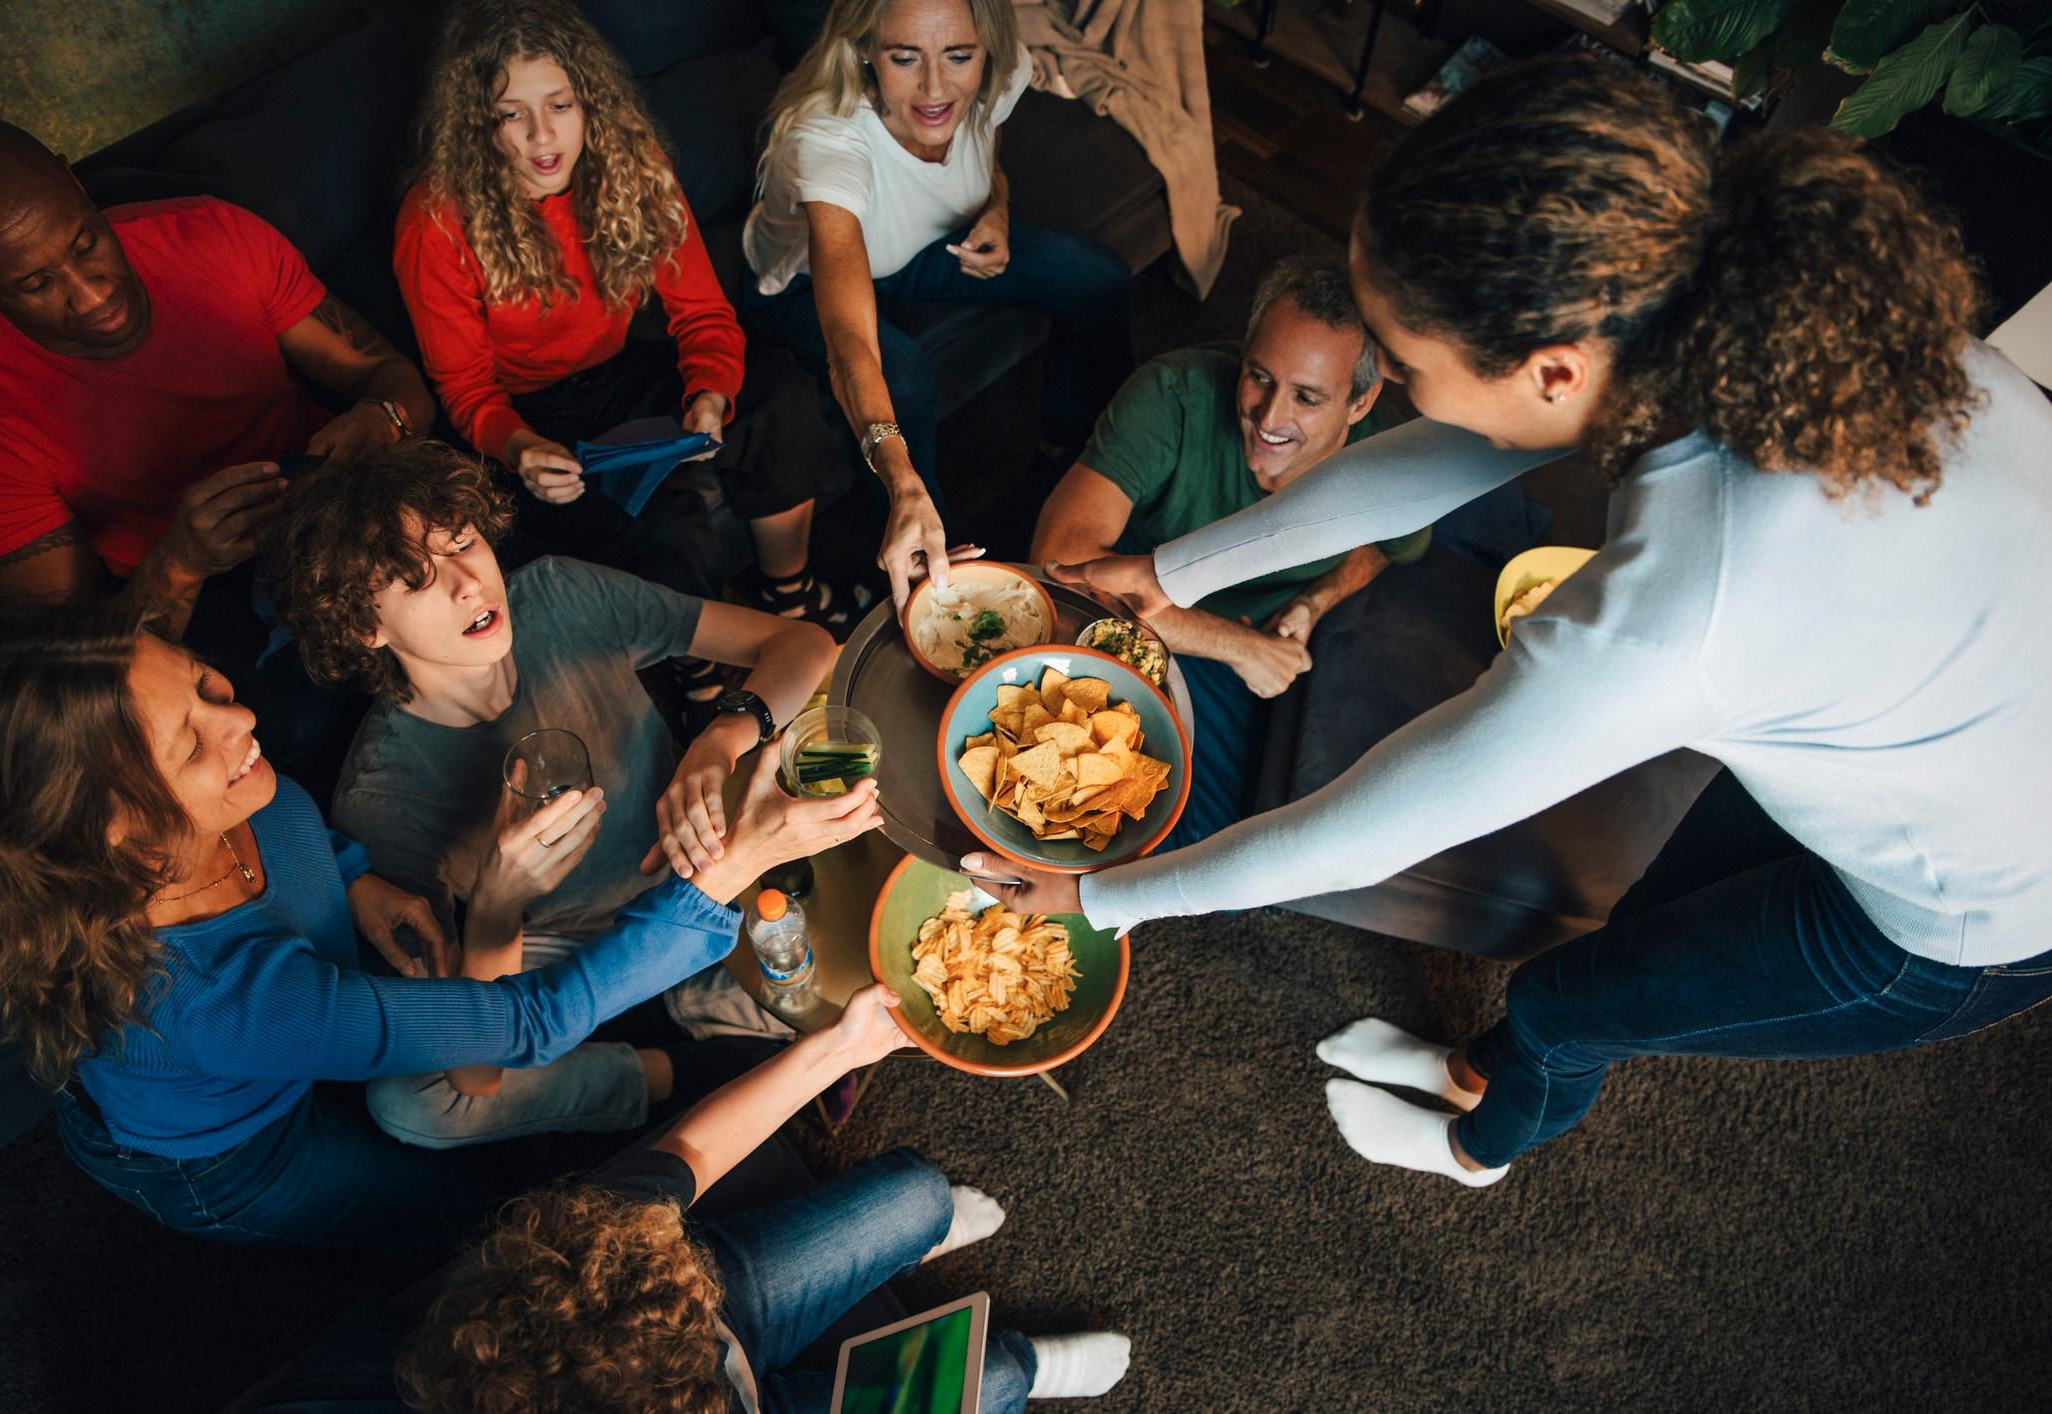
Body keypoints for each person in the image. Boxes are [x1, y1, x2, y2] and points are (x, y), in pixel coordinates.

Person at [975, 54, 2052, 1189]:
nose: (1381, 379)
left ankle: (1471, 1144)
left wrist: (1102, 897)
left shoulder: (1680, 610)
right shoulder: (1730, 314)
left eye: (1400, 362)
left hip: (1978, 908)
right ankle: (1476, 1069)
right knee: (1646, 921)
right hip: (1938, 704)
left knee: (1569, 1000)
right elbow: (1445, 453)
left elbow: (1360, 832)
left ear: (1550, 368)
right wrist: (1176, 570)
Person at [0, 608, 880, 1252]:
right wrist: (726, 874)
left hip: (293, 1030)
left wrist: (358, 884)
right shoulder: (222, 1001)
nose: (244, 718)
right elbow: (535, 1021)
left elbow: (308, 838)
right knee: (432, 1207)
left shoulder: (234, 791)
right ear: (121, 833)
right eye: (194, 738)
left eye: (210, 685)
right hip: (224, 1155)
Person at [265, 441, 841, 1150]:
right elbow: (473, 1068)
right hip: (561, 936)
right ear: (365, 627)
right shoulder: (383, 797)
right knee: (413, 1102)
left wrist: (720, 737)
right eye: (417, 581)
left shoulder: (560, 596)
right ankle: (684, 1069)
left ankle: (718, 1009)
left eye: (464, 543)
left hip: (702, 855)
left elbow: (808, 644)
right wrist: (499, 902)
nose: (469, 585)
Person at [0, 117, 436, 785]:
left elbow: (397, 384)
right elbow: (63, 673)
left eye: (86, 243)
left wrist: (379, 421)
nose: (91, 295)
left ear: (72, 178)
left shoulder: (209, 234)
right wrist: (178, 563)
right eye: (34, 285)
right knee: (314, 740)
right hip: (197, 605)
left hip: (342, 501)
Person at [393, 984, 1133, 1412]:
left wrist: (842, 1047)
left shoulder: (556, 1290)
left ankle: (912, 1245)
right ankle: (1027, 1371)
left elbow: (691, 1151)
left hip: (675, 1321)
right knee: (993, 1381)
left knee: (918, 1197)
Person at [397, 0, 865, 675]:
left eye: (559, 105)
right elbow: (465, 387)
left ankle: (787, 598)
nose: (541, 136)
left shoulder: (631, 166)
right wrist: (520, 447)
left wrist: (709, 393)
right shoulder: (435, 219)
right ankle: (701, 676)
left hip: (620, 373)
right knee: (667, 528)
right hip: (528, 415)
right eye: (510, 114)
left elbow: (702, 315)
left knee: (779, 394)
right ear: (476, 123)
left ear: (589, 100)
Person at [741, 0, 1135, 612]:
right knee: (903, 377)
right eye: (904, 58)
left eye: (959, 56)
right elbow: (849, 335)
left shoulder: (1003, 72)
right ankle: (930, 574)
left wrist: (996, 211)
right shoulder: (827, 137)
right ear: (866, 50)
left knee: (1098, 279)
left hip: (927, 242)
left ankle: (1076, 458)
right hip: (802, 282)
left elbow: (988, 165)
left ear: (987, 50)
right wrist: (901, 477)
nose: (934, 88)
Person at [1030, 255, 1418, 849]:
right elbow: (1060, 564)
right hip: (1136, 613)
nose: (1269, 417)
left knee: (1214, 828)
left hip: (1251, 638)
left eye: (1307, 398)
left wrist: (1316, 601)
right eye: (1259, 375)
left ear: (1360, 405)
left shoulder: (1394, 460)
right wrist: (1240, 647)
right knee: (1056, 781)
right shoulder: (1171, 395)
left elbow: (1394, 546)